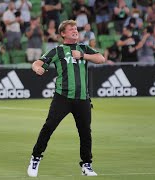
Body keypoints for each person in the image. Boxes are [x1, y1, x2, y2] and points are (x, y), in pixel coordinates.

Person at [27, 20, 105, 177]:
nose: (75, 31)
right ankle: (35, 158)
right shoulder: (57, 50)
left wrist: (83, 56)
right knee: (49, 126)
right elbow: (37, 63)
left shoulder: (83, 48)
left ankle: (86, 164)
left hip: (82, 98)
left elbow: (101, 59)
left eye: (76, 29)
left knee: (85, 132)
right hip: (62, 97)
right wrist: (37, 68)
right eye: (71, 29)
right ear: (63, 34)